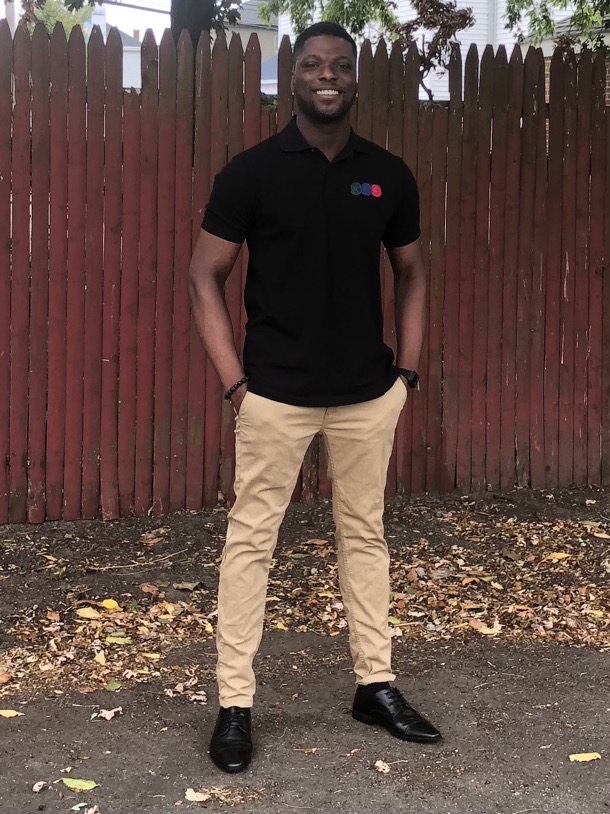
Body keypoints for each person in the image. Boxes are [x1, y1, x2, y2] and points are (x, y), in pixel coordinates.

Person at [188, 21, 442, 774]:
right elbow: (204, 276)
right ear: (289, 78)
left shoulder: (387, 175)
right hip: (274, 395)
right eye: (311, 65)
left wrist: (409, 375)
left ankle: (375, 686)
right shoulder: (251, 173)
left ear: (355, 79)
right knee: (250, 544)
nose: (325, 75)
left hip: (368, 395)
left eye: (338, 65)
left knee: (364, 538)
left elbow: (413, 273)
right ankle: (235, 704)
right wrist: (235, 382)